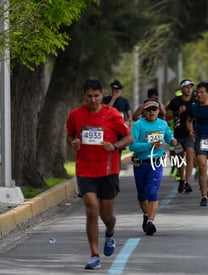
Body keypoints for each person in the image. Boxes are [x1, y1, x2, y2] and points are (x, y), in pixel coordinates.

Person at [66, 79, 133, 270]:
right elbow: (70, 135)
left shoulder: (111, 114)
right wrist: (73, 143)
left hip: (108, 170)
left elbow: (129, 137)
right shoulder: (75, 115)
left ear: (102, 95)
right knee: (91, 209)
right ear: (83, 96)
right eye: (89, 96)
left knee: (106, 215)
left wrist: (115, 146)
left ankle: (110, 231)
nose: (93, 100)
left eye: (96, 96)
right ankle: (94, 254)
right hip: (85, 169)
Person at [129, 99, 177, 235]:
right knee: (142, 194)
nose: (151, 112)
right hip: (140, 162)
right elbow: (132, 146)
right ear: (144, 111)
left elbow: (169, 138)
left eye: (154, 109)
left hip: (156, 162)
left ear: (158, 111)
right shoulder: (138, 125)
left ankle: (150, 221)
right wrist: (150, 145)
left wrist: (173, 141)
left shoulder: (163, 124)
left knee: (152, 192)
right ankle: (146, 215)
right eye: (149, 109)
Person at [166, 79, 197, 194]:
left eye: (191, 87)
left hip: (190, 134)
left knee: (189, 155)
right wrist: (177, 112)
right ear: (181, 89)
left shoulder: (195, 102)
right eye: (187, 87)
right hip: (178, 135)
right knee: (180, 158)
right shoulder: (175, 102)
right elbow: (166, 116)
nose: (189, 89)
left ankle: (187, 183)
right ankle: (182, 180)